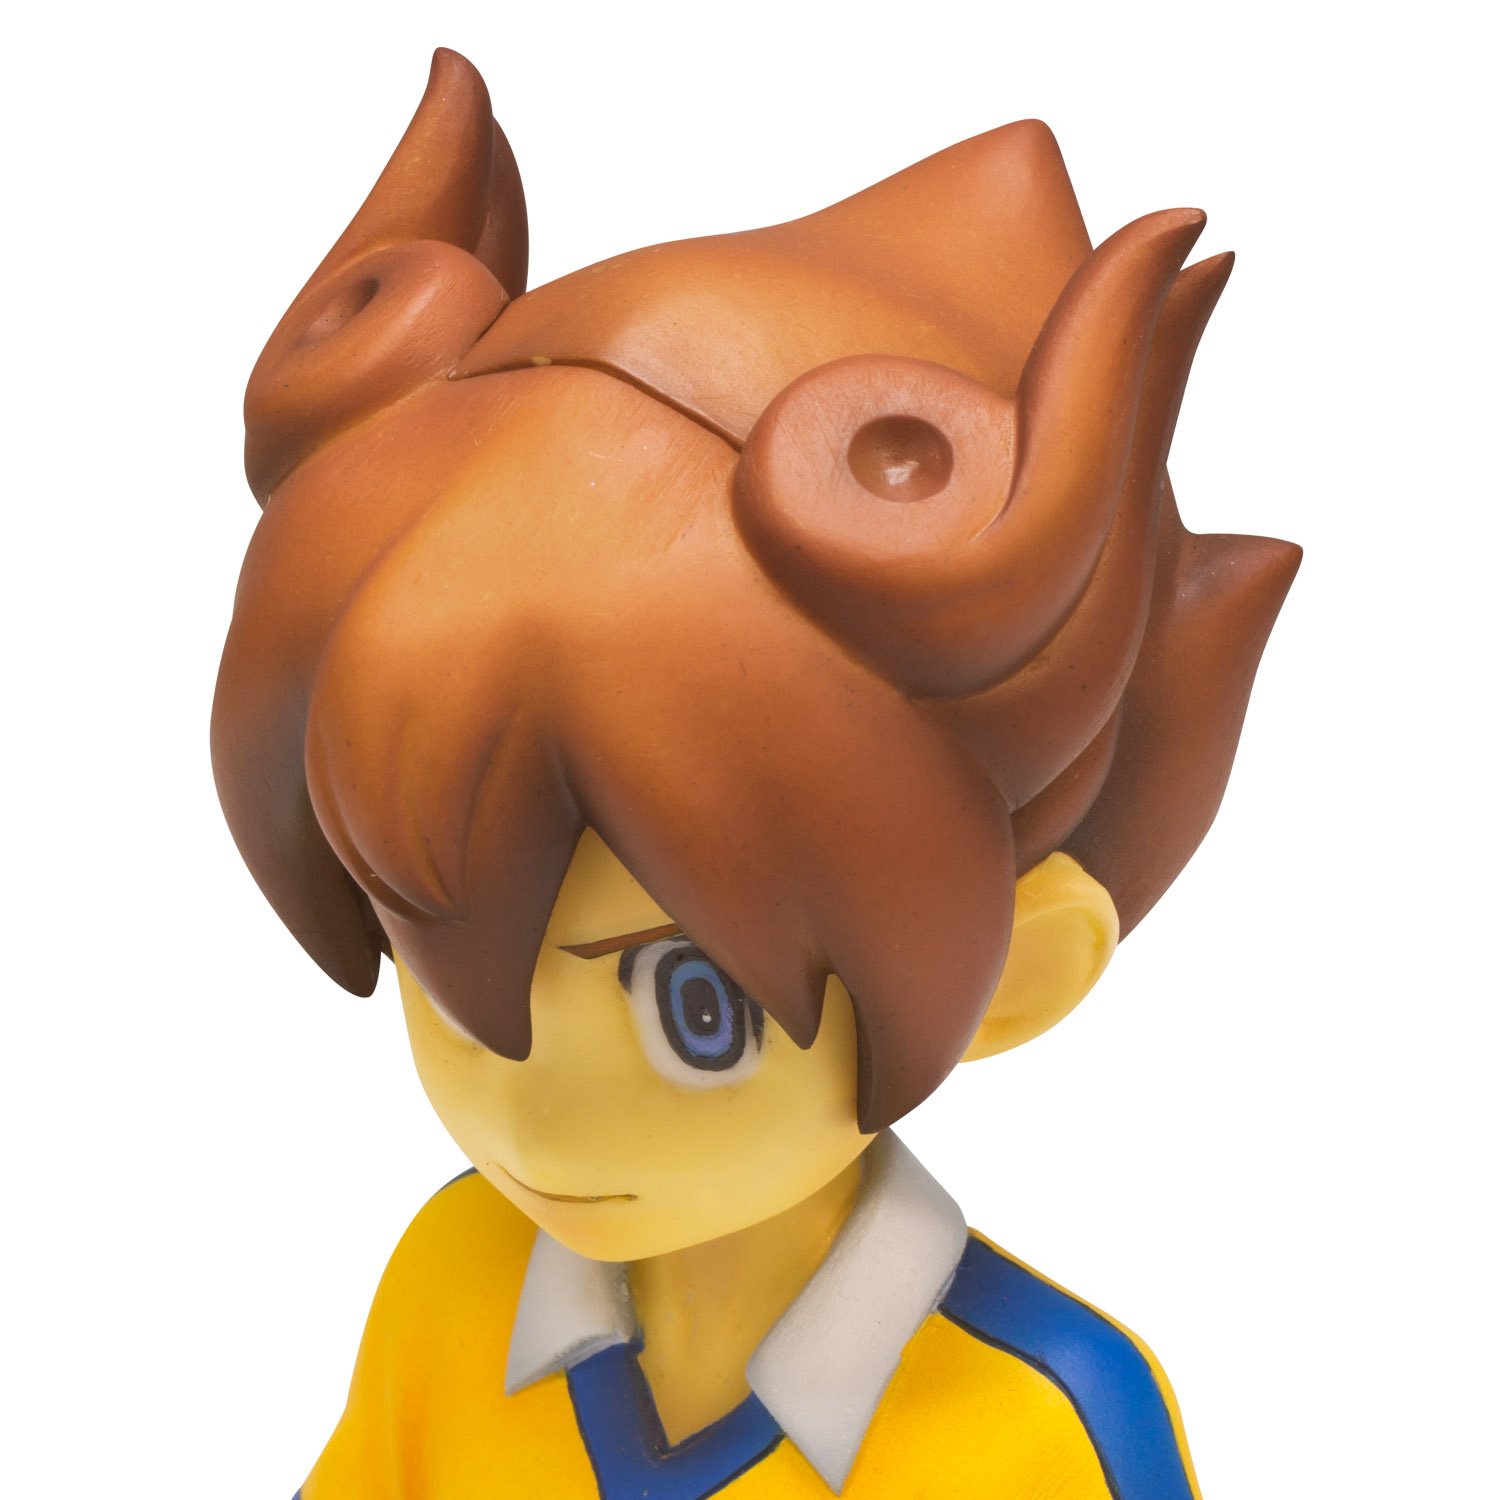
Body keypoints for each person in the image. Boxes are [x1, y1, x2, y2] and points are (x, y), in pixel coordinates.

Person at [213, 47, 1299, 1499]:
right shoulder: (451, 1289)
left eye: (693, 1007)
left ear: (1016, 970)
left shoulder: (1035, 1433)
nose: (532, 1112)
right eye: (438, 953)